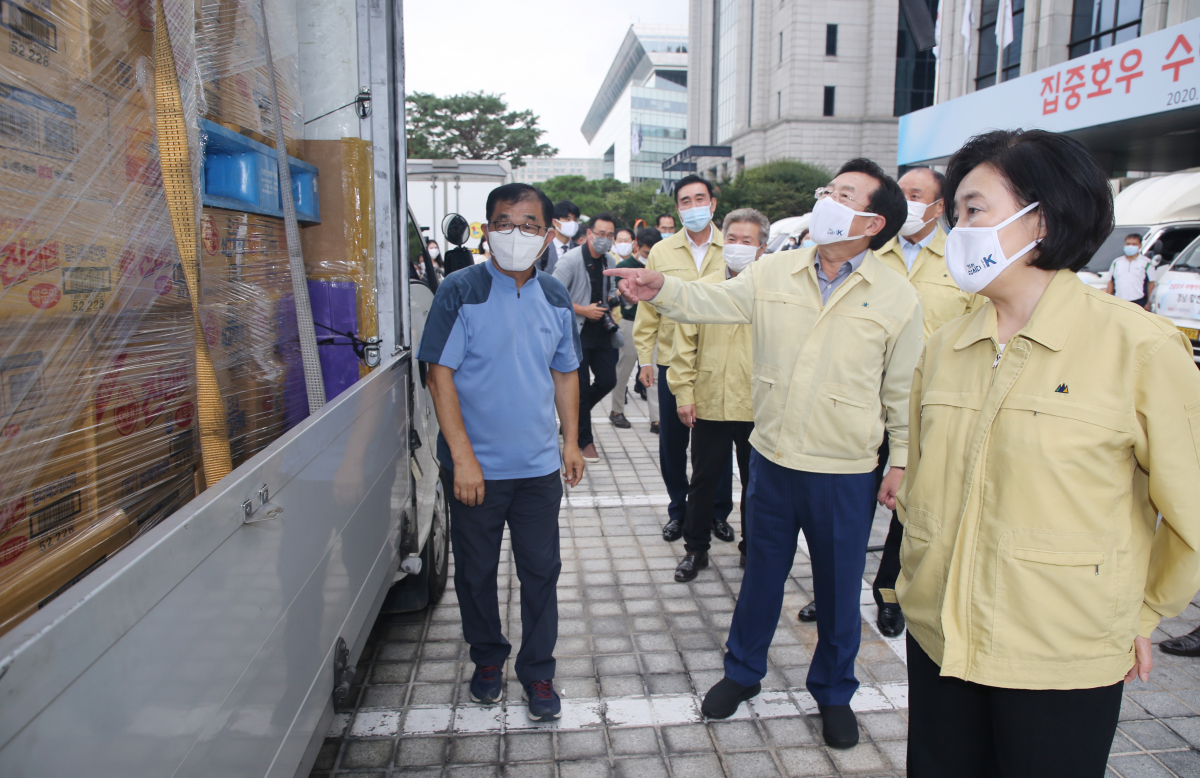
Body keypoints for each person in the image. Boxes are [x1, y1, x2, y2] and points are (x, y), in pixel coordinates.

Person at [897, 129, 1200, 776]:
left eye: (974, 210)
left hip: (1060, 655)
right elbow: (920, 487)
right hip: (938, 641)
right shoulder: (945, 346)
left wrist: (1141, 613)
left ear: (1044, 216)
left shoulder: (1140, 349)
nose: (957, 231)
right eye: (955, 215)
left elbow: (1190, 511)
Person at [609, 158, 919, 749]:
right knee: (761, 578)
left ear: (873, 221)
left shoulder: (896, 295)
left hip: (844, 467)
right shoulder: (777, 270)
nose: (828, 198)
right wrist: (663, 288)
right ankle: (742, 672)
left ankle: (833, 691)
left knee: (836, 587)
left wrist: (900, 459)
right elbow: (717, 302)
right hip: (773, 455)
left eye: (845, 193)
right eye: (829, 189)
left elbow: (903, 388)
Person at [417, 183, 585, 723]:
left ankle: (538, 672)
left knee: (541, 572)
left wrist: (570, 440)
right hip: (475, 470)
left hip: (537, 469)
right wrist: (462, 457)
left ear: (548, 234)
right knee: (475, 571)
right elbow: (438, 374)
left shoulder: (556, 296)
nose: (518, 234)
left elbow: (565, 372)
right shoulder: (459, 290)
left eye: (530, 224)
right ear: (487, 231)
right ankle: (487, 658)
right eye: (505, 223)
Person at [799, 166, 979, 637]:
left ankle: (890, 592)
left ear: (940, 207)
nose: (907, 199)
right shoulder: (870, 248)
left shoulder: (961, 259)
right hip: (855, 402)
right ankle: (832, 591)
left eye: (917, 194)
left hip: (928, 407)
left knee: (906, 505)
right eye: (902, 192)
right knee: (850, 507)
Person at [668, 208, 768, 583]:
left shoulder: (772, 290)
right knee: (704, 479)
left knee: (757, 485)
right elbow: (683, 346)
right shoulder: (704, 285)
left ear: (762, 248)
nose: (739, 247)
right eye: (734, 239)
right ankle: (696, 550)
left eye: (748, 241)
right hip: (709, 399)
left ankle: (752, 551)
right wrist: (683, 393)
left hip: (757, 403)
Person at [633, 175, 734, 542]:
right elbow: (649, 310)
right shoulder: (662, 251)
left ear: (713, 204)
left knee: (716, 445)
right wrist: (645, 358)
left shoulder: (732, 247)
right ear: (678, 209)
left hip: (717, 361)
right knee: (673, 444)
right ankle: (679, 510)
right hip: (672, 362)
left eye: (700, 199)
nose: (694, 207)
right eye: (686, 201)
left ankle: (716, 512)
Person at [553, 213, 623, 464]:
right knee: (579, 390)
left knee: (608, 380)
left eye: (609, 235)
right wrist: (583, 310)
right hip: (577, 332)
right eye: (600, 234)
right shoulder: (570, 261)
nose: (605, 239)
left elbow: (612, 290)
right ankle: (584, 440)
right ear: (589, 234)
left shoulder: (609, 260)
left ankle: (571, 416)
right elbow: (553, 297)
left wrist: (619, 297)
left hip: (603, 331)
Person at [611, 228, 662, 431]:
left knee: (654, 372)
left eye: (653, 253)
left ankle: (656, 419)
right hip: (631, 323)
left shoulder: (660, 267)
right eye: (647, 252)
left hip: (655, 326)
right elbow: (619, 295)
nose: (650, 257)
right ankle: (616, 410)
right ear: (637, 247)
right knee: (624, 369)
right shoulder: (625, 267)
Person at [1107, 233, 1155, 310]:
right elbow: (1110, 282)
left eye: (1134, 244)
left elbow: (1151, 283)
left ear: (1139, 246)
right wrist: (1108, 301)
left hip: (1139, 302)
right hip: (1119, 302)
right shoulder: (1116, 262)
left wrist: (1148, 303)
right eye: (1128, 244)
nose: (1130, 246)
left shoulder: (1147, 263)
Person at [538, 200, 580, 274]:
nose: (572, 223)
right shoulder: (542, 249)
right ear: (555, 222)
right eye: (567, 219)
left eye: (575, 220)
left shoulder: (579, 250)